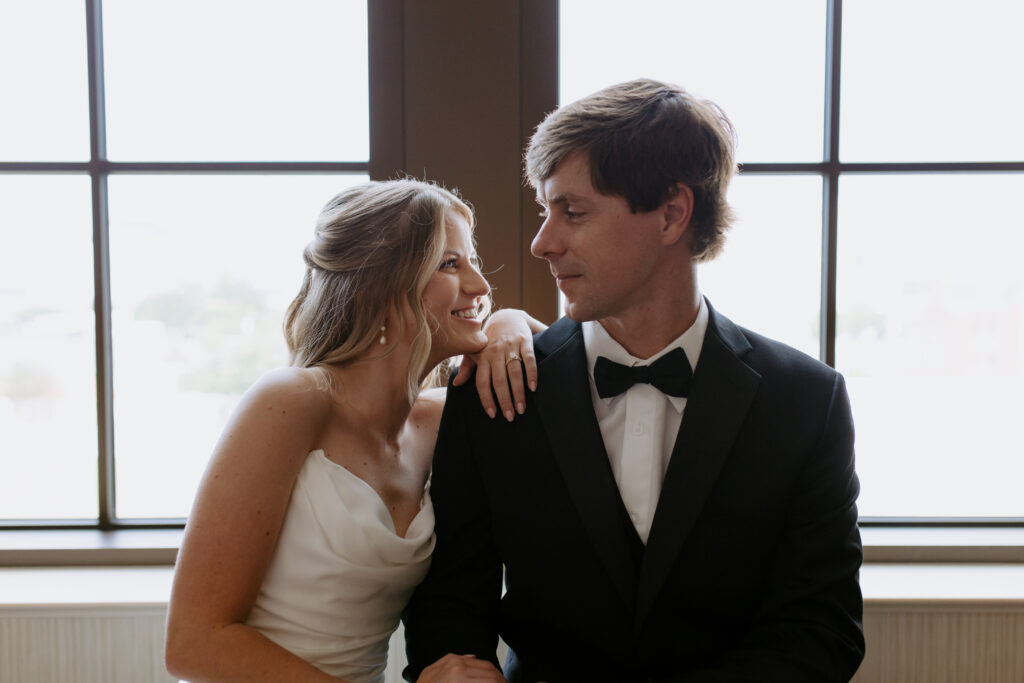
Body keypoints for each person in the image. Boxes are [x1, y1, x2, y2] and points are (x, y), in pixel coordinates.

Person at [403, 79, 865, 682]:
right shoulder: (491, 389)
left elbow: (821, 628)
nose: (542, 242)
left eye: (572, 212)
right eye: (545, 211)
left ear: (672, 214)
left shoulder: (806, 401)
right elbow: (449, 606)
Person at [164, 179, 544, 683]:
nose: (480, 286)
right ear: (379, 285)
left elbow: (563, 371)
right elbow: (193, 643)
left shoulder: (443, 421)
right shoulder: (290, 401)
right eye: (450, 264)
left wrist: (509, 322)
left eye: (472, 261)